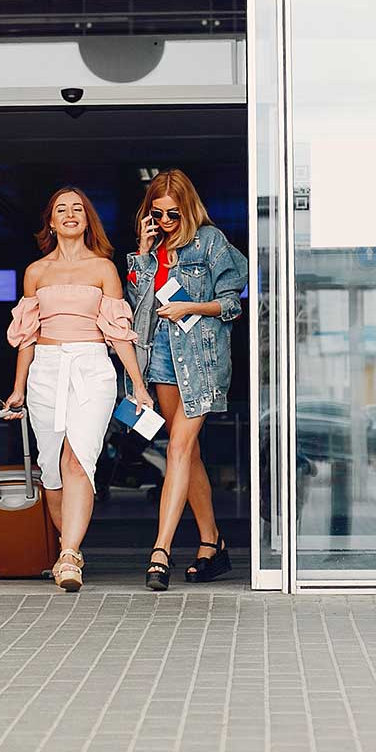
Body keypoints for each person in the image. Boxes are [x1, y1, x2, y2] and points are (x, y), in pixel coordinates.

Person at [4, 186, 153, 591]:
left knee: (77, 460)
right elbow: (28, 336)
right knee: (51, 471)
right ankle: (69, 550)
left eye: (78, 209)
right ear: (50, 222)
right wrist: (17, 389)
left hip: (92, 368)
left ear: (88, 220)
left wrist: (137, 385)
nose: (70, 214)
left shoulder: (103, 268)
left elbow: (119, 332)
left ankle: (69, 555)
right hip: (46, 371)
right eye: (61, 209)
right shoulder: (36, 272)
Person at [126, 169, 248, 590]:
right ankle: (211, 543)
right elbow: (137, 313)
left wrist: (190, 307)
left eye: (172, 215)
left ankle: (160, 551)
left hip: (201, 357)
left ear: (189, 209)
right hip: (160, 356)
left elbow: (233, 304)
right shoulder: (151, 249)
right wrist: (143, 256)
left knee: (177, 446)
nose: (164, 222)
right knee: (188, 452)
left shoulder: (211, 242)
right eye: (156, 214)